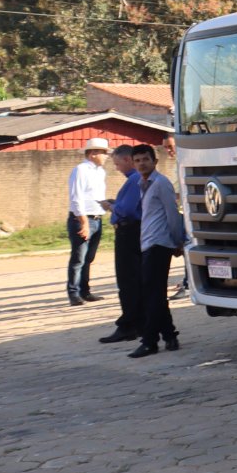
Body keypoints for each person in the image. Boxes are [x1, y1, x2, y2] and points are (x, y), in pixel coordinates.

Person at [129, 145, 186, 358]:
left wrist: (177, 240)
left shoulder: (161, 184)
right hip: (148, 242)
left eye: (145, 159)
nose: (142, 163)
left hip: (159, 243)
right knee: (155, 294)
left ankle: (150, 341)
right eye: (138, 160)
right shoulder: (142, 183)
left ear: (155, 161)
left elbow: (172, 214)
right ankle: (170, 335)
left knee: (151, 294)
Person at [98, 146, 147, 344]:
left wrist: (112, 206)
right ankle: (139, 323)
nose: (117, 168)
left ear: (128, 159)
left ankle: (129, 325)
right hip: (136, 231)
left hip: (130, 232)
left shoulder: (135, 179)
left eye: (117, 164)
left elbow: (127, 210)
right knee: (136, 280)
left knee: (128, 281)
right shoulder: (138, 180)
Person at [64, 137, 111, 306]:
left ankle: (85, 290)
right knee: (78, 258)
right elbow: (76, 198)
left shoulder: (100, 172)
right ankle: (74, 293)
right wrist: (83, 222)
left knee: (88, 258)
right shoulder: (81, 170)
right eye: (104, 153)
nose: (106, 156)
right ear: (92, 153)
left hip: (97, 218)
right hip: (83, 219)